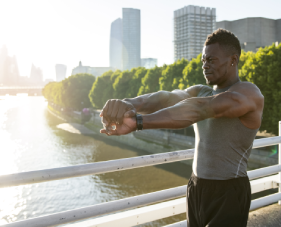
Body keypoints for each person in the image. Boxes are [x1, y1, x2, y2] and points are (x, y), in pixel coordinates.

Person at [100, 28, 264, 226]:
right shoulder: (199, 91)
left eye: (211, 60)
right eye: (203, 60)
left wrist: (139, 122)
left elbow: (198, 109)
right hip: (196, 187)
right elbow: (164, 98)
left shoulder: (248, 93)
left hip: (228, 191)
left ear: (233, 60)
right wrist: (126, 104)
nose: (205, 65)